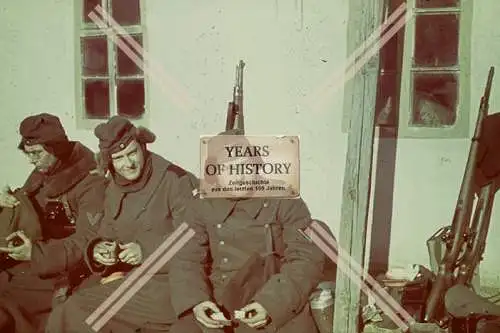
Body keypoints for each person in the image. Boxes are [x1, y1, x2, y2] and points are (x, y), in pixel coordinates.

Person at [45, 116, 198, 333]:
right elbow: (107, 231)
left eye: (132, 153)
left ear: (143, 147)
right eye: (118, 158)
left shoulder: (175, 180)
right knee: (66, 306)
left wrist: (145, 251)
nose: (128, 164)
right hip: (132, 278)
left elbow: (193, 236)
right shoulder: (115, 187)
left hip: (167, 283)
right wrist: (100, 250)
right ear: (109, 162)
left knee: (80, 312)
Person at [169, 129, 326, 333]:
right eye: (230, 169)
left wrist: (271, 305)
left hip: (276, 294)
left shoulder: (284, 198)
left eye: (245, 166)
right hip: (220, 301)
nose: (240, 176)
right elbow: (186, 259)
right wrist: (198, 303)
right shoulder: (201, 205)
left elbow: (306, 258)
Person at [0, 113, 107, 333]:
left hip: (64, 273)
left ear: (56, 148)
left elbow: (88, 241)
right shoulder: (46, 170)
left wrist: (36, 254)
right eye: (28, 154)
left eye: (36, 153)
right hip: (34, 262)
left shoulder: (91, 183)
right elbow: (29, 207)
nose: (31, 160)